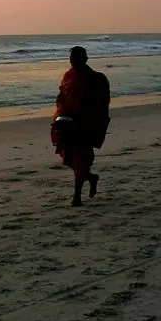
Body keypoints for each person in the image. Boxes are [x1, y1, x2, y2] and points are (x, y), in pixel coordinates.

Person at [51, 46, 110, 206]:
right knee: (69, 159)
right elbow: (61, 96)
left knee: (81, 159)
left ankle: (77, 196)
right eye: (71, 60)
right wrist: (60, 114)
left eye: (77, 59)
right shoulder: (68, 76)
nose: (74, 63)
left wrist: (93, 120)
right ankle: (91, 177)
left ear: (85, 59)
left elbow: (102, 104)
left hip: (85, 125)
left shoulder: (96, 79)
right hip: (67, 122)